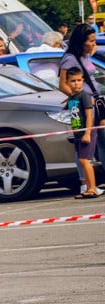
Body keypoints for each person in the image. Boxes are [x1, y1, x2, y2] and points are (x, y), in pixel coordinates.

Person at [59, 23, 105, 192]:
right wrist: (78, 97)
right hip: (82, 105)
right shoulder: (70, 58)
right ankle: (84, 184)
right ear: (80, 41)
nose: (94, 44)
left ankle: (93, 182)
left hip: (93, 102)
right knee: (82, 144)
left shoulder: (84, 55)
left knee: (100, 140)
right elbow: (62, 84)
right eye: (91, 41)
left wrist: (90, 52)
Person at [64, 66, 99, 198]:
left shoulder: (84, 95)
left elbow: (89, 115)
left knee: (85, 161)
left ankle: (93, 188)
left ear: (83, 81)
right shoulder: (73, 97)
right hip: (77, 133)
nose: (76, 83)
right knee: (81, 160)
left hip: (86, 133)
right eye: (73, 81)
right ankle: (87, 188)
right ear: (67, 82)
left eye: (79, 80)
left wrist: (87, 133)